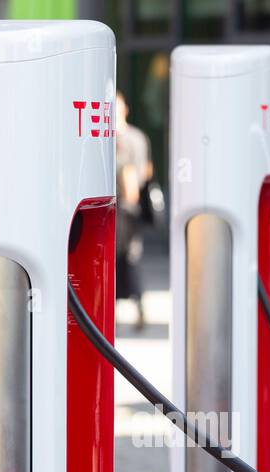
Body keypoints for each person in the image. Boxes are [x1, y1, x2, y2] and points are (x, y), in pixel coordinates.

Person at [115, 91, 153, 330]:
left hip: (124, 204)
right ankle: (135, 306)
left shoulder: (122, 138)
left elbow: (131, 171)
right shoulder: (140, 137)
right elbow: (148, 169)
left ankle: (126, 306)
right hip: (133, 205)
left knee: (123, 256)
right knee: (130, 255)